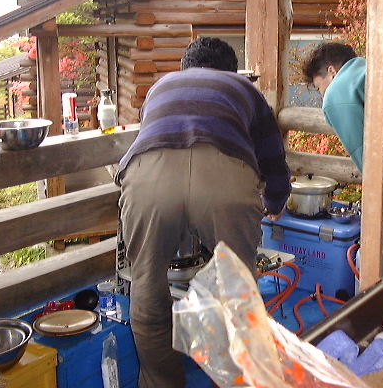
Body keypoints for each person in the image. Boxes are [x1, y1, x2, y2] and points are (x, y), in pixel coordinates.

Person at [115, 37, 291, 388]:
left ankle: (161, 382)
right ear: (231, 70)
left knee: (147, 283)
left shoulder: (161, 86)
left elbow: (153, 133)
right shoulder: (244, 88)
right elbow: (272, 155)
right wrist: (275, 200)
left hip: (149, 179)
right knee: (237, 290)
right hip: (224, 180)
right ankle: (235, 381)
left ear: (185, 68)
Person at [301, 42, 366, 172]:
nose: (322, 95)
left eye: (318, 87)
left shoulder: (335, 93)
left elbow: (364, 155)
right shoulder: (368, 68)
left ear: (332, 71)